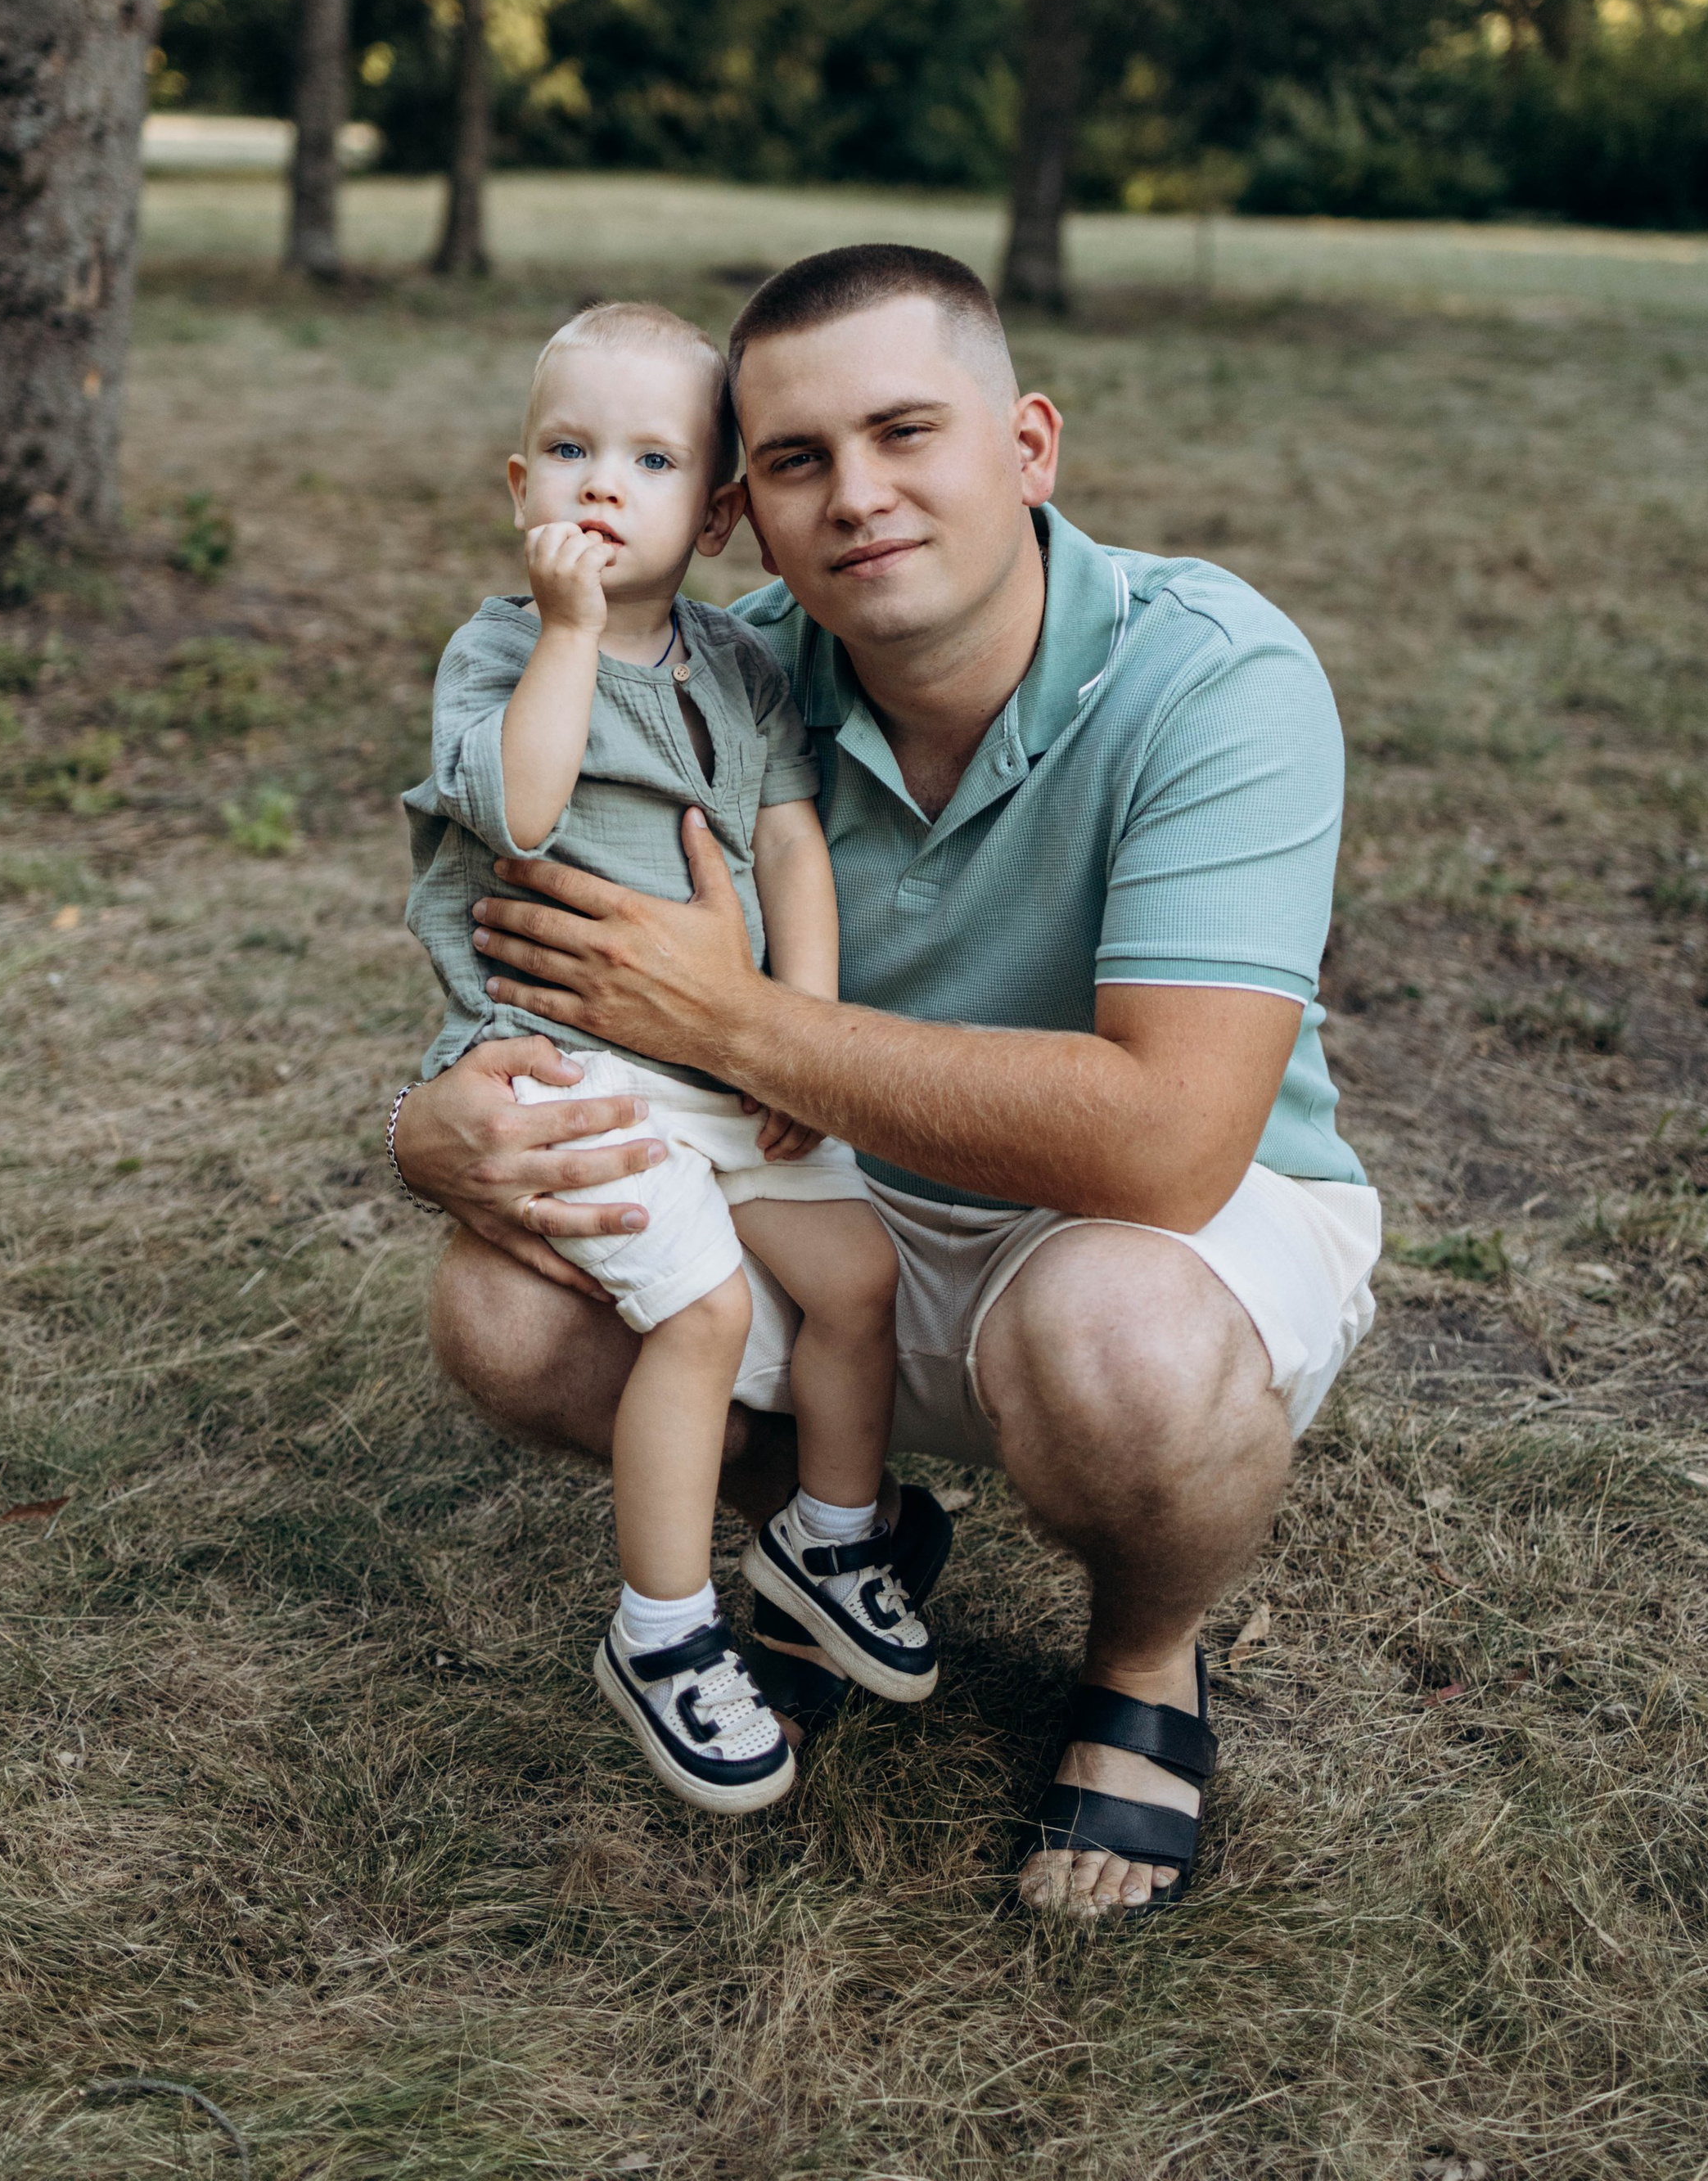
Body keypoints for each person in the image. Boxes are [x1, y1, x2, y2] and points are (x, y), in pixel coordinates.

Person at [390, 245, 1381, 1918]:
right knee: (503, 1302)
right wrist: (442, 1130)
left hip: (1143, 1227)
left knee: (1117, 1350)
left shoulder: (1213, 675)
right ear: (741, 511)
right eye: (792, 459)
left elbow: (1167, 1144)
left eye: (905, 431)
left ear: (1026, 445)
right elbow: (516, 944)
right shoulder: (716, 676)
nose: (855, 495)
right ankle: (844, 1527)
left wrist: (743, 1027)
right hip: (822, 1195)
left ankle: (1143, 1663)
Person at [401, 300, 934, 1818]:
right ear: (518, 488)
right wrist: (570, 633)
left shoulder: (744, 671)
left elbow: (789, 843)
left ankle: (830, 1537)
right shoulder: (500, 648)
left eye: (645, 459)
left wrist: (806, 1041)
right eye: (568, 451)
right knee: (698, 1316)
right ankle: (663, 1630)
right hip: (567, 1065)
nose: (597, 486)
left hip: (727, 1056)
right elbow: (518, 806)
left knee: (856, 1275)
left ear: (710, 517)